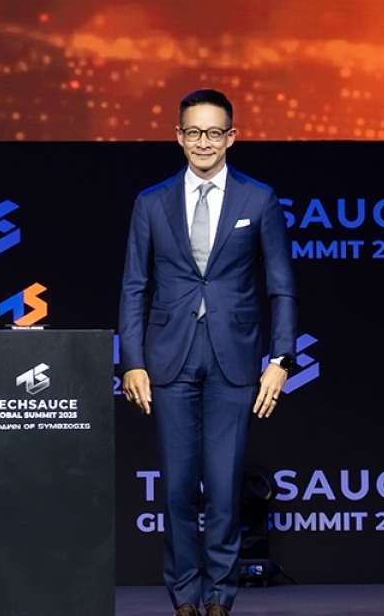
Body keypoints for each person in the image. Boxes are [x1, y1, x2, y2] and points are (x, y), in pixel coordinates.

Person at [118, 89, 298, 616]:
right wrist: (132, 360)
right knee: (177, 488)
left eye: (214, 132)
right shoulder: (151, 202)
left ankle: (219, 596)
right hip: (168, 357)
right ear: (178, 136)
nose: (203, 142)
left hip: (234, 359)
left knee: (223, 486)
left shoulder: (257, 199)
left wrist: (280, 360)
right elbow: (134, 286)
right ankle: (184, 596)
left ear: (231, 137)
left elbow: (282, 286)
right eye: (194, 132)